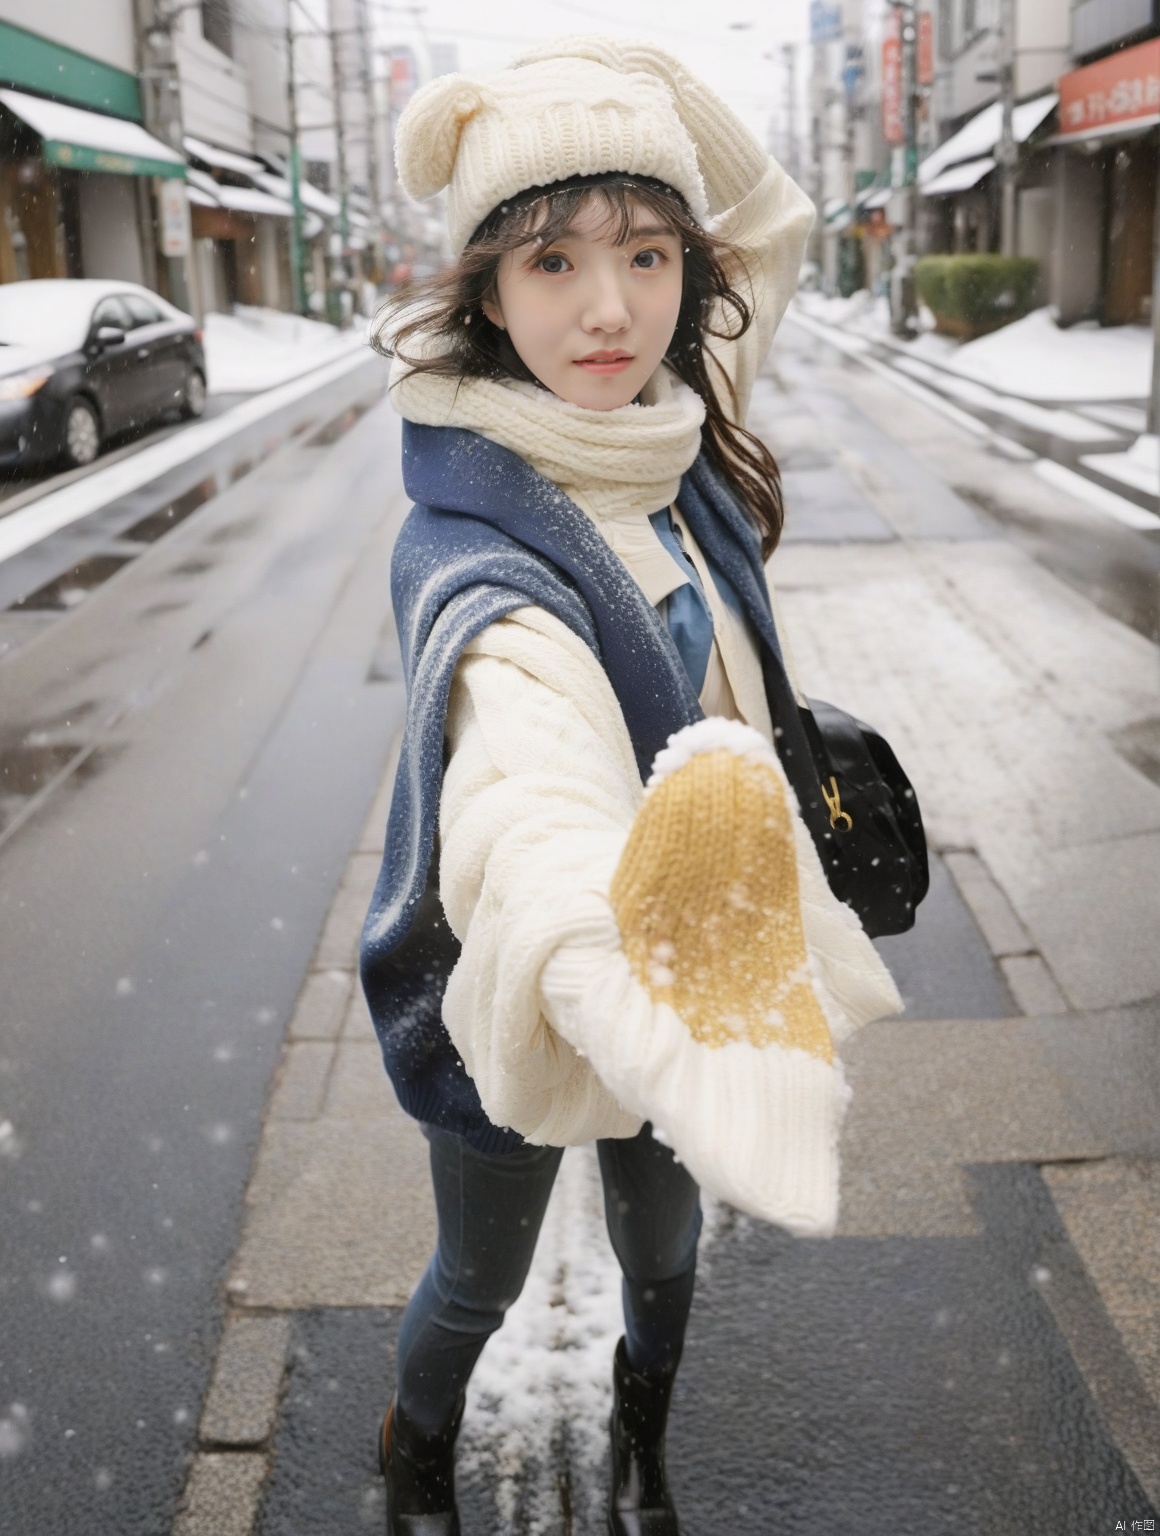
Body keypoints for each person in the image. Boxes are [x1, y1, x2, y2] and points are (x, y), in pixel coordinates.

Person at [360, 36, 901, 1536]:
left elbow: (776, 222)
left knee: (666, 1258)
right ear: (485, 296)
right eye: (551, 261)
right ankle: (412, 1459)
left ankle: (641, 1448)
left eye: (649, 252)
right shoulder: (482, 543)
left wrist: (644, 75)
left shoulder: (675, 416)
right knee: (478, 1275)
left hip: (699, 946)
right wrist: (630, 992)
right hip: (537, 977)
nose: (611, 308)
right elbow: (527, 800)